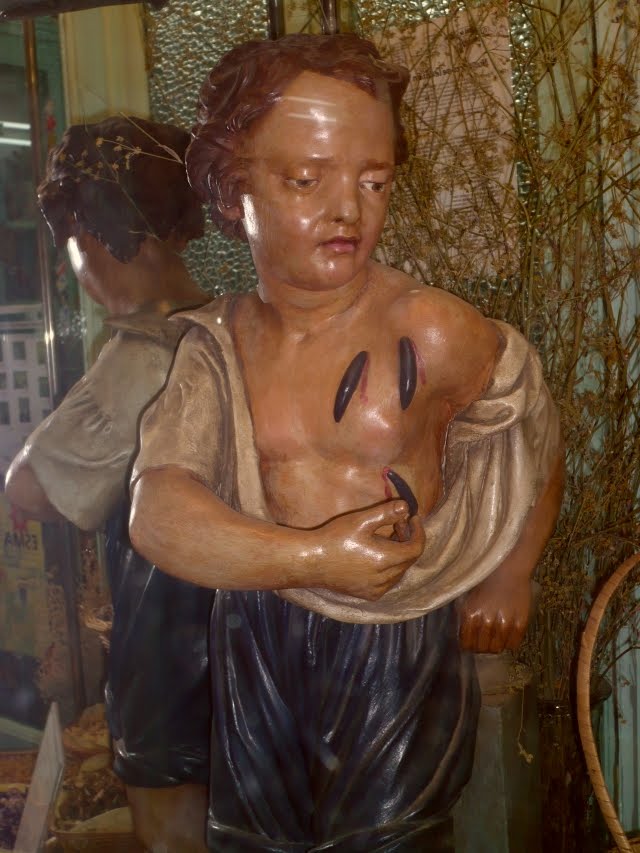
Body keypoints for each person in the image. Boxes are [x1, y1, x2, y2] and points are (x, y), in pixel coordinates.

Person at [129, 34, 564, 852]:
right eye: (306, 179)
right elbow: (157, 513)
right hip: (255, 626)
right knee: (257, 837)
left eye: (374, 181)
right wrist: (313, 558)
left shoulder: (430, 328)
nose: (348, 211)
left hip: (394, 638)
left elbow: (533, 436)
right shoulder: (216, 350)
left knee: (387, 838)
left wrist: (511, 573)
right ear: (232, 187)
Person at [5, 116, 212, 853]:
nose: (72, 269)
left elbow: (31, 488)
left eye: (70, 244)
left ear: (95, 237)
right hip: (235, 634)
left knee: (171, 826)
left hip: (168, 635)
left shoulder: (140, 358)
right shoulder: (222, 326)